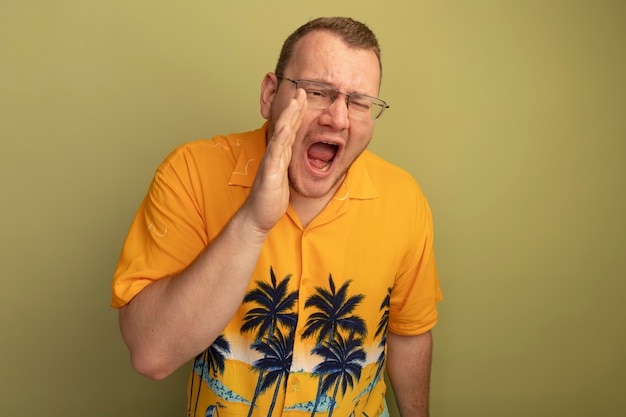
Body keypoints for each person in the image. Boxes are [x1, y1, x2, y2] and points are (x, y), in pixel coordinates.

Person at [111, 16, 442, 417]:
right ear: (271, 94)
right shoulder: (190, 173)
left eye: (358, 102)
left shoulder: (404, 198)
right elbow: (152, 355)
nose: (337, 118)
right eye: (318, 92)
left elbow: (408, 334)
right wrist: (252, 222)